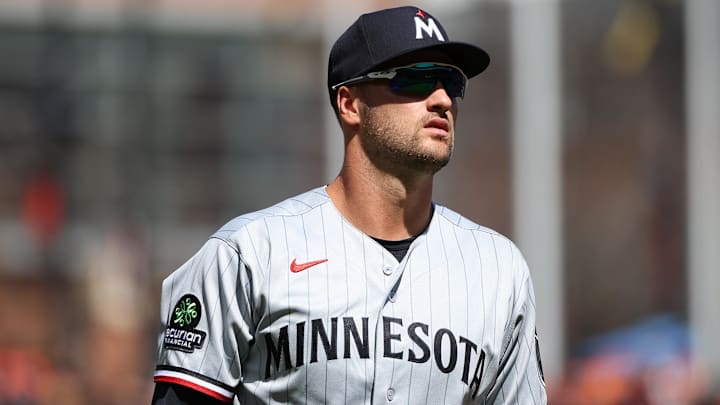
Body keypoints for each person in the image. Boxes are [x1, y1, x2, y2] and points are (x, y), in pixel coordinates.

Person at [151, 5, 547, 405]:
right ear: (349, 104)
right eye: (416, 79)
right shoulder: (249, 253)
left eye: (451, 82)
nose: (442, 99)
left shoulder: (498, 270)